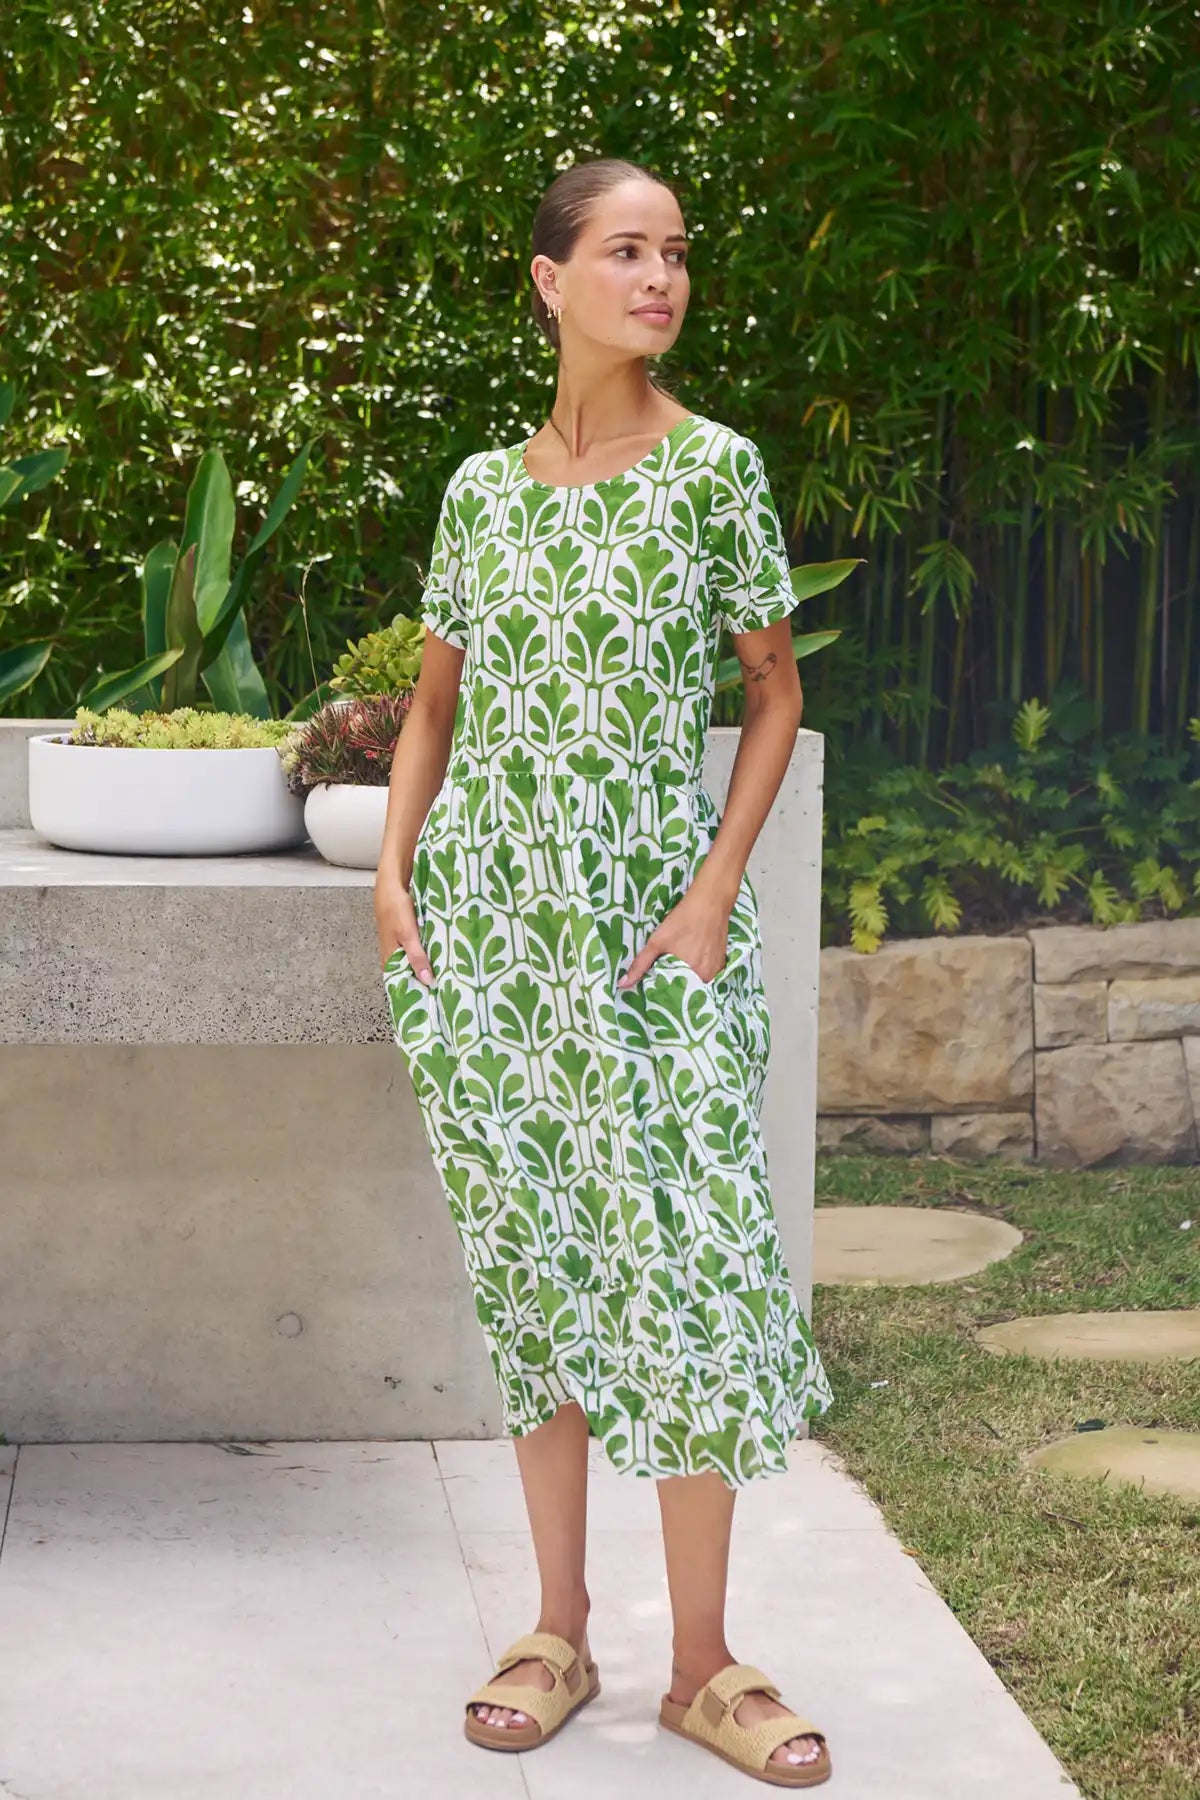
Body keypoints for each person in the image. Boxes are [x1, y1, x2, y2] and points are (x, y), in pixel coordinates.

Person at [374, 157, 835, 1787]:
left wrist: (716, 890)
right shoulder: (480, 494)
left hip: (657, 932)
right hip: (491, 943)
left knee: (696, 1270)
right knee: (541, 1267)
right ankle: (559, 1627)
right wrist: (390, 871)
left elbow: (768, 696)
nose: (661, 279)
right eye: (628, 252)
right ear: (549, 278)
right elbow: (433, 702)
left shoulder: (717, 474)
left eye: (678, 255)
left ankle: (704, 1665)